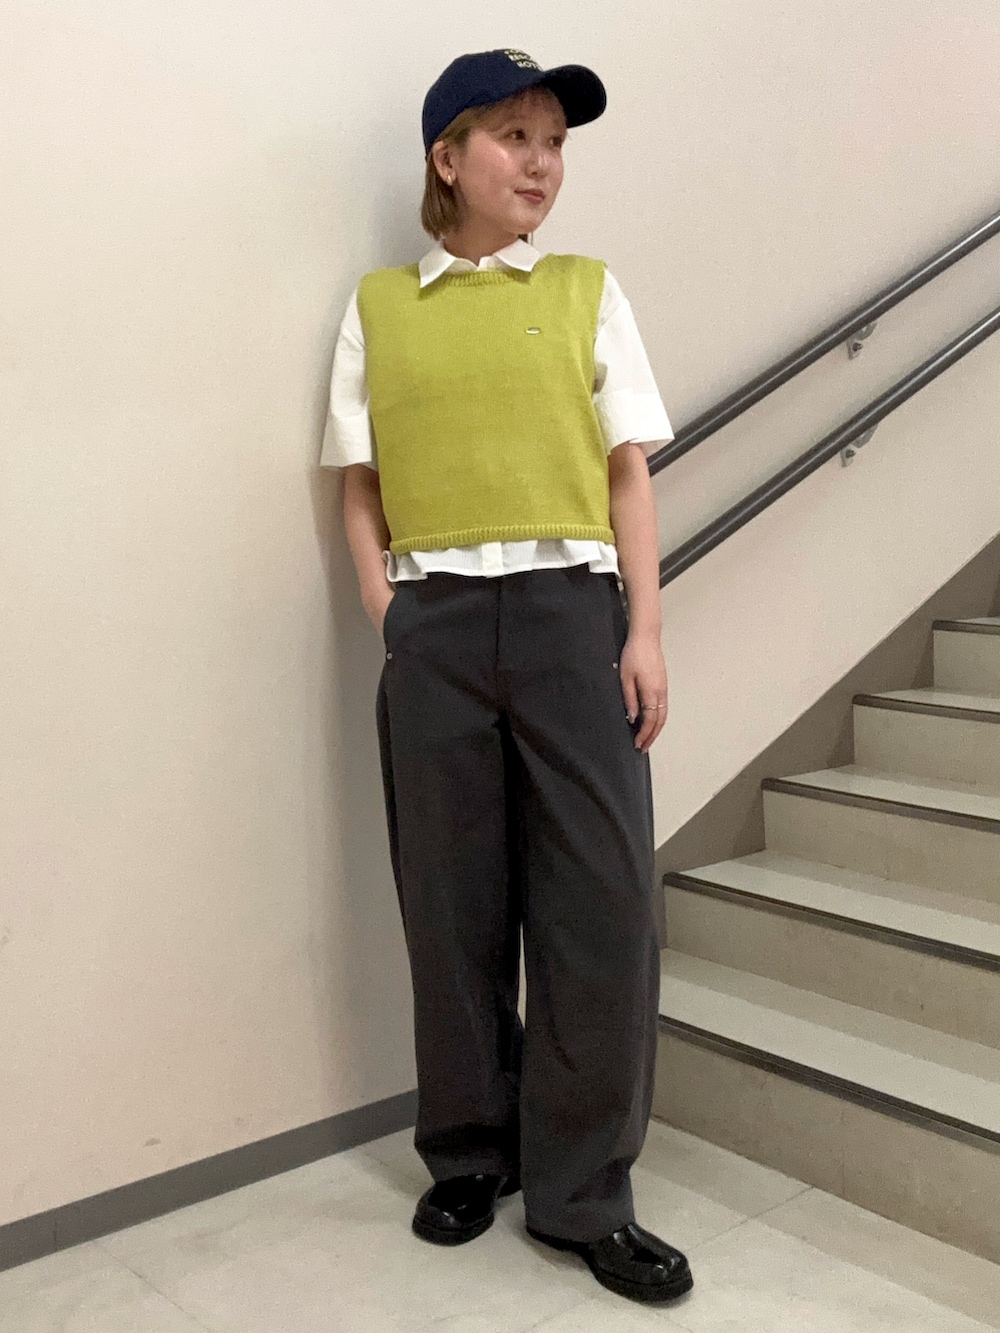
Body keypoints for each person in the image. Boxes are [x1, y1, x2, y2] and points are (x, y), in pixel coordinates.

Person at [322, 48, 693, 1305]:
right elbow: (360, 483)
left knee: (600, 907)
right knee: (451, 901)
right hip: (434, 627)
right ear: (448, 157)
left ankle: (583, 1192)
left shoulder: (588, 289)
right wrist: (390, 612)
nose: (542, 164)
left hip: (569, 614)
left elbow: (627, 470)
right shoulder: (381, 306)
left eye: (555, 143)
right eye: (515, 137)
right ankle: (471, 1150)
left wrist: (642, 631)